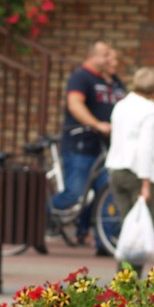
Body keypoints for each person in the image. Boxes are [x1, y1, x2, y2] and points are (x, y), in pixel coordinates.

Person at [50, 41, 125, 252]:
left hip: (105, 147)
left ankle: (105, 242)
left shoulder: (112, 81)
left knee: (106, 190)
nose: (109, 59)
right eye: (105, 55)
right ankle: (39, 220)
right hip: (81, 145)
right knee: (74, 194)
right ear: (92, 55)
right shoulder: (81, 77)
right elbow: (75, 104)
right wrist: (95, 123)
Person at [105, 66, 154, 274]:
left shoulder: (121, 105)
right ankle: (131, 284)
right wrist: (146, 182)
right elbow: (146, 146)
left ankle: (121, 282)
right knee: (141, 230)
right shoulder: (150, 109)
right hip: (137, 172)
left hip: (116, 170)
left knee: (129, 227)